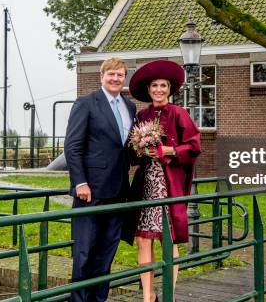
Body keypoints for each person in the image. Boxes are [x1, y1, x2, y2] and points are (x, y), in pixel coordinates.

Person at [122, 60, 201, 302]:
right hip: (145, 185)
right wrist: (138, 148)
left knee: (169, 239)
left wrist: (170, 150)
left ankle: (169, 294)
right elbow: (130, 153)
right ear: (148, 90)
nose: (158, 89)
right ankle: (148, 296)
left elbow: (194, 145)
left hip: (168, 185)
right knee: (143, 240)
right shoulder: (142, 116)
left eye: (163, 85)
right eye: (154, 85)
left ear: (170, 89)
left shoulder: (179, 114)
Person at [64, 57, 137, 302]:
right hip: (91, 192)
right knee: (85, 254)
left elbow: (124, 148)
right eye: (111, 74)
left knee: (107, 253)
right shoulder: (86, 103)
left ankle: (99, 299)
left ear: (124, 78)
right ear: (102, 76)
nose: (115, 79)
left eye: (120, 75)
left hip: (118, 191)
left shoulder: (130, 107)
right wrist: (80, 182)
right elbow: (72, 147)